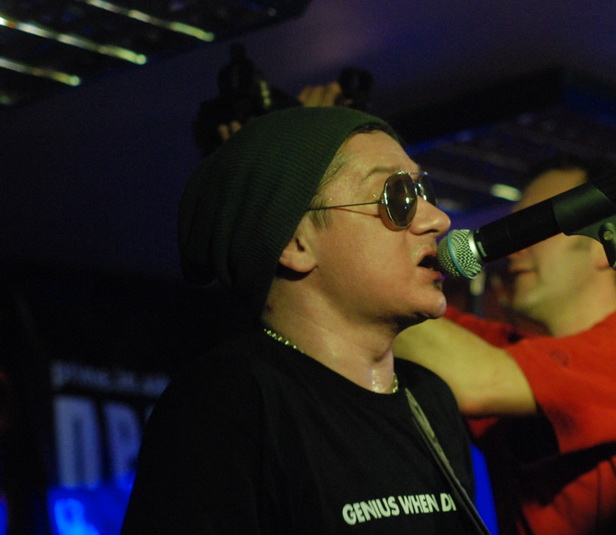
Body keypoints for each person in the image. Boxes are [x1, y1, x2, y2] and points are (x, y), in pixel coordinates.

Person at [120, 106, 481, 534]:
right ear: (294, 242)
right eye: (398, 197)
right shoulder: (226, 405)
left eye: (423, 191)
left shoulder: (428, 397)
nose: (437, 219)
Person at [393, 153, 616, 535]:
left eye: (535, 226)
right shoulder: (522, 361)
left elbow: (475, 378)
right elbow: (422, 324)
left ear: (605, 243)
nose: (512, 248)